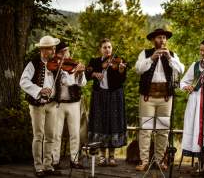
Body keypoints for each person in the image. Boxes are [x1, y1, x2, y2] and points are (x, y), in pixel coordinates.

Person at [135, 28, 185, 171]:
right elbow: (138, 69)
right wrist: (151, 58)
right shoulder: (145, 53)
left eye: (164, 38)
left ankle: (159, 160)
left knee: (163, 130)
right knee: (146, 129)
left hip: (165, 98)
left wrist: (169, 58)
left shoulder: (172, 55)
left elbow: (180, 70)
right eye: (159, 38)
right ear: (153, 40)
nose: (162, 40)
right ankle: (143, 161)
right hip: (147, 97)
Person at [19, 35, 62, 177]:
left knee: (51, 136)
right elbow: (23, 82)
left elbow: (67, 79)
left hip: (52, 104)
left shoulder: (56, 64)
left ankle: (48, 165)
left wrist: (78, 72)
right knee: (38, 136)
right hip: (37, 105)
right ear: (44, 50)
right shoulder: (33, 63)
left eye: (54, 48)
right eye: (52, 49)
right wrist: (39, 90)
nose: (54, 51)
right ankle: (38, 166)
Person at [85, 38, 127, 167]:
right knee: (100, 124)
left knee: (113, 123)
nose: (107, 49)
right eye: (105, 47)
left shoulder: (118, 61)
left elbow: (122, 80)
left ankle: (112, 156)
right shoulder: (95, 61)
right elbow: (87, 74)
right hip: (99, 96)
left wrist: (120, 70)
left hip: (115, 95)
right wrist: (94, 74)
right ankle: (102, 156)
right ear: (100, 49)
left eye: (109, 47)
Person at [52, 41, 87, 169]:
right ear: (57, 54)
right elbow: (65, 81)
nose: (65, 54)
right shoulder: (55, 66)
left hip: (74, 103)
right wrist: (73, 73)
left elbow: (82, 83)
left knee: (75, 133)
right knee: (56, 134)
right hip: (58, 104)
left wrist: (80, 73)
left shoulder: (73, 65)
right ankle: (55, 161)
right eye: (62, 52)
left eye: (67, 51)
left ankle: (74, 160)